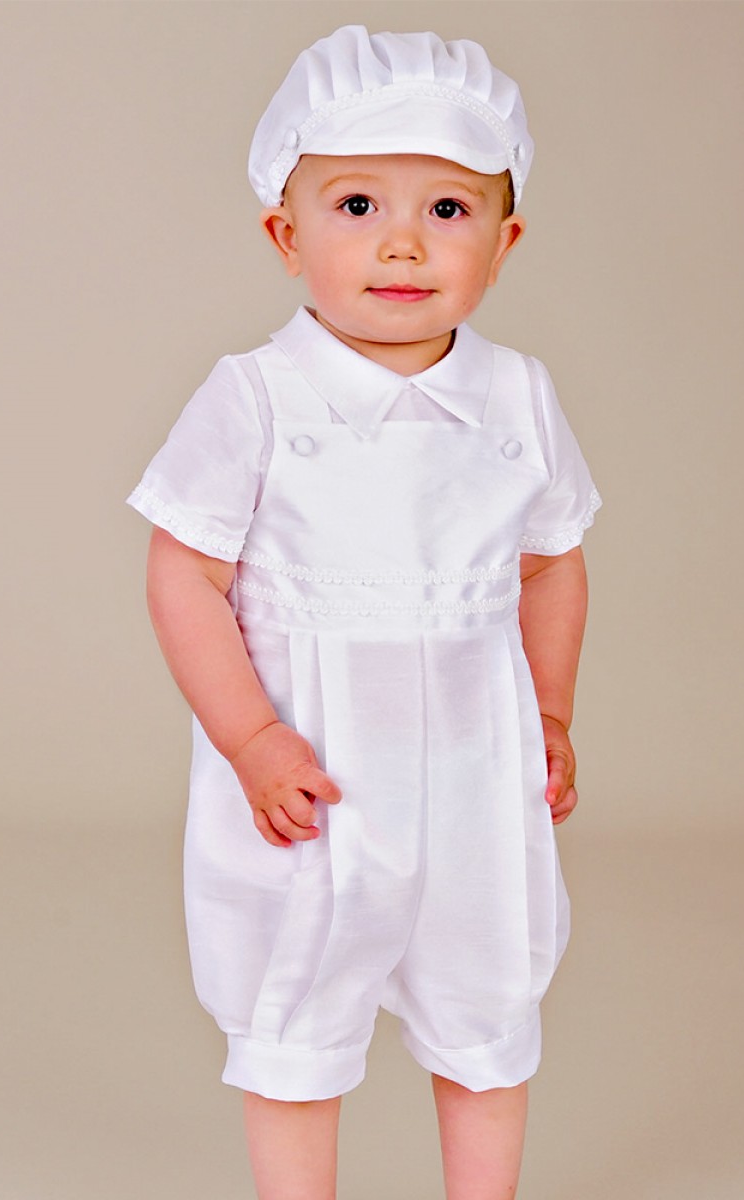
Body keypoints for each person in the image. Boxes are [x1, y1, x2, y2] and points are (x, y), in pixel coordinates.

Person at [128, 25, 601, 1200]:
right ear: (286, 235)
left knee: (489, 1000)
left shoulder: (516, 396)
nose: (401, 242)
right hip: (315, 771)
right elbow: (184, 575)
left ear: (505, 241)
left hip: (476, 773)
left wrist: (548, 711)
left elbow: (551, 564)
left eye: (447, 209)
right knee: (296, 1011)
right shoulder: (258, 397)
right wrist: (252, 737)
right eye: (354, 205)